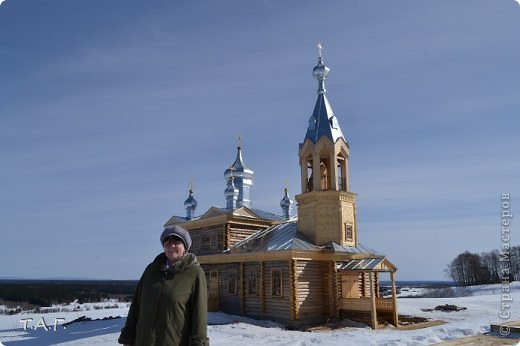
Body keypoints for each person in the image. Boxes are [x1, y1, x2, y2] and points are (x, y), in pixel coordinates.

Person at [118, 225, 209, 346]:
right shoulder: (151, 270)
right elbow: (136, 306)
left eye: (176, 242)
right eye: (167, 242)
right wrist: (128, 337)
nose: (171, 246)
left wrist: (198, 343)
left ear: (185, 247)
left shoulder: (194, 273)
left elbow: (199, 315)